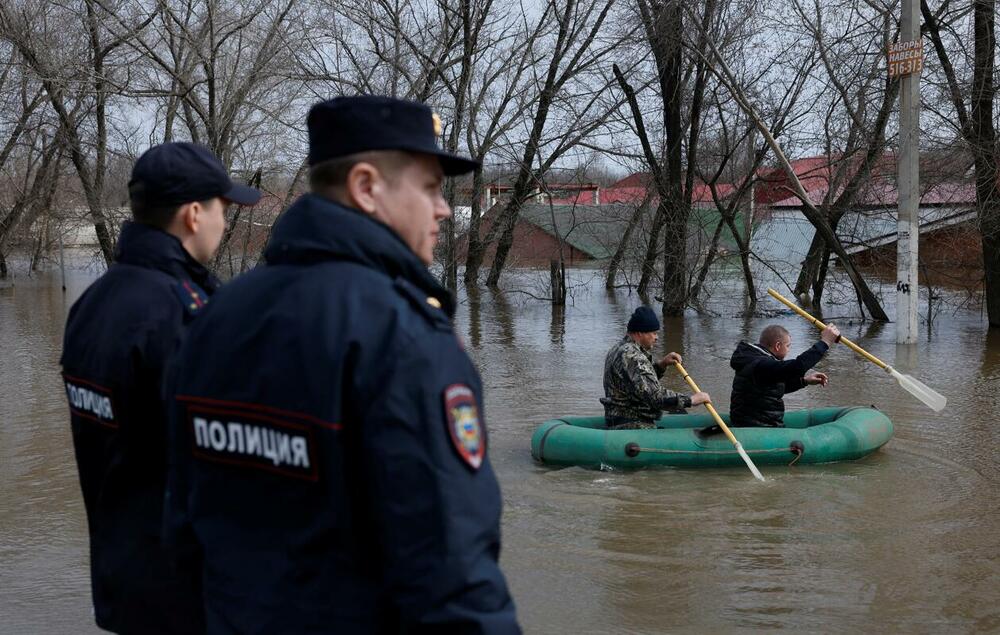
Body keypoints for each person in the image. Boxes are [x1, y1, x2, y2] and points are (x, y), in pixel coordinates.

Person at [163, 96, 520, 633]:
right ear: (366, 187)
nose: (443, 208)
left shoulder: (215, 316)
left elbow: (181, 526)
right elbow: (453, 576)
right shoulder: (405, 338)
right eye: (429, 187)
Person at [60, 142, 261, 634]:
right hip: (188, 594)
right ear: (194, 214)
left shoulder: (93, 303)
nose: (225, 221)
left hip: (123, 578)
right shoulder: (183, 313)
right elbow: (223, 464)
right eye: (222, 207)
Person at [600, 306, 711, 430]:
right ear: (640, 333)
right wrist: (691, 400)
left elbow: (637, 382)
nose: (657, 337)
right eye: (653, 333)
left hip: (617, 418)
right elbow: (656, 397)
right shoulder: (633, 357)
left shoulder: (619, 348)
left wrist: (661, 365)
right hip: (632, 424)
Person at [729, 323, 841, 428]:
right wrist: (825, 342)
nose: (788, 350)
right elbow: (797, 367)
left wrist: (804, 381)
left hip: (747, 421)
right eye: (788, 346)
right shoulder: (763, 364)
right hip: (760, 426)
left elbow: (770, 388)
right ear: (778, 346)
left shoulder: (752, 359)